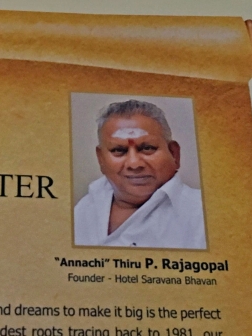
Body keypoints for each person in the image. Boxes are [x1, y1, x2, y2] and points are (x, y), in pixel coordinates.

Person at [73, 100, 205, 249]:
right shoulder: (85, 208)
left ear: (174, 154)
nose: (134, 164)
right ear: (101, 159)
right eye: (119, 150)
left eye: (147, 148)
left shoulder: (203, 213)